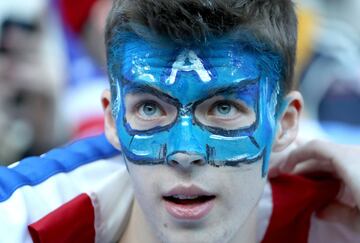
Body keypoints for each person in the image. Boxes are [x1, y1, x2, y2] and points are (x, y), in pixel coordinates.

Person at [0, 0, 359, 243]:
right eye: (151, 108)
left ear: (285, 124)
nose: (184, 153)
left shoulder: (336, 216)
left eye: (223, 107)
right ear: (112, 118)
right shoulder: (25, 214)